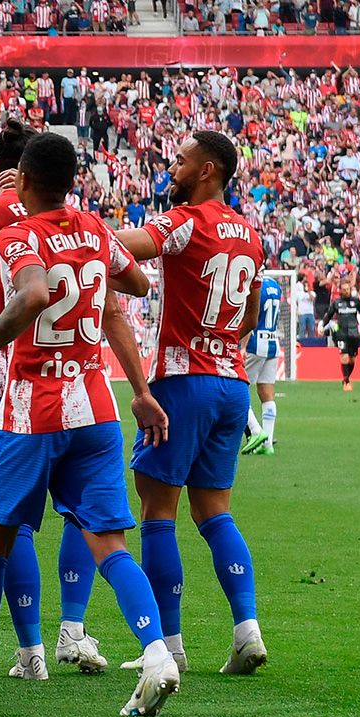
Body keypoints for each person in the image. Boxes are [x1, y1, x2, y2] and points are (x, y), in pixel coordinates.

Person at [0, 132, 178, 716]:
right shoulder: (96, 229)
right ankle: (157, 653)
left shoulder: (20, 234)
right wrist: (140, 391)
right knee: (110, 542)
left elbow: (34, 294)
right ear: (73, 179)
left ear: (21, 176)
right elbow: (136, 286)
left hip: (32, 407)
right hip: (95, 407)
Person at [0, 118, 106, 679]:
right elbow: (121, 293)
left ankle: (27, 653)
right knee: (82, 511)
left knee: (0, 516)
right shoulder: (84, 225)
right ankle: (72, 629)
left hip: (5, 381)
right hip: (79, 385)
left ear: (8, 172)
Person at [114, 130, 269, 678]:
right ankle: (246, 629)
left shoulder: (184, 220)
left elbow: (122, 248)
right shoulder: (251, 235)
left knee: (158, 512)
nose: (172, 167)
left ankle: (171, 643)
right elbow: (250, 315)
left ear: (207, 170)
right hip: (231, 384)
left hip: (183, 380)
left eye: (180, 160)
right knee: (215, 511)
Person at [241, 275, 283, 455]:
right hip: (273, 343)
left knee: (240, 390)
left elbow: (251, 316)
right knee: (267, 393)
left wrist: (242, 347)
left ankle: (257, 432)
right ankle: (268, 446)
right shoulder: (275, 286)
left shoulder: (254, 285)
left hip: (255, 344)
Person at [321, 280, 360, 391]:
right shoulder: (336, 303)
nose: (346, 291)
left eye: (348, 289)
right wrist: (322, 325)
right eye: (344, 289)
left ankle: (346, 378)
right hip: (342, 334)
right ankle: (347, 381)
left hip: (354, 333)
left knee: (352, 359)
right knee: (344, 357)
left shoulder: (356, 302)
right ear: (340, 291)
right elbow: (329, 315)